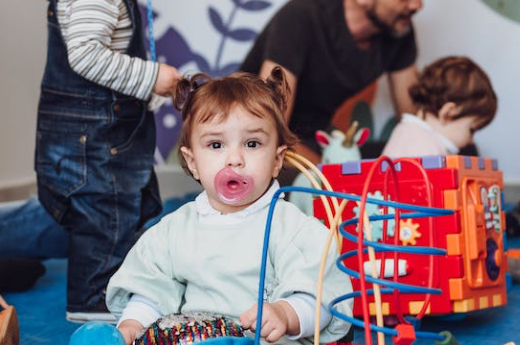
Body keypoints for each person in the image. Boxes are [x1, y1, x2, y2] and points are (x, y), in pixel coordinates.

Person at [105, 68, 353, 345]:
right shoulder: (174, 231)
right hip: (196, 338)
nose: (234, 159)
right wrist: (132, 325)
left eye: (252, 143)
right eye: (215, 144)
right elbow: (151, 290)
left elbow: (319, 298)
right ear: (192, 162)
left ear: (277, 159)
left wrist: (286, 313)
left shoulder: (293, 230)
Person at [34, 0, 181, 323]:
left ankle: (119, 274)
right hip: (95, 137)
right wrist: (151, 76)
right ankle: (93, 295)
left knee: (120, 207)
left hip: (100, 132)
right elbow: (86, 54)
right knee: (106, 208)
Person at [241, 0, 423, 165]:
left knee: (391, 164)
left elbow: (413, 122)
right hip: (252, 143)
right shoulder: (300, 16)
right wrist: (330, 174)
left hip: (311, 142)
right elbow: (269, 131)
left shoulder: (399, 30)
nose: (417, 6)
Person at [382, 56, 497, 157]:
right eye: (472, 130)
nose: (471, 141)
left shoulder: (416, 134)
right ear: (448, 112)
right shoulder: (420, 144)